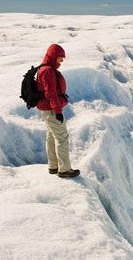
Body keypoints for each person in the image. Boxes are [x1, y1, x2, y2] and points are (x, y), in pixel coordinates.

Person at [37, 43, 80, 178]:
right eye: (60, 58)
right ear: (53, 56)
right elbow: (51, 94)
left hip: (46, 108)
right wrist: (58, 111)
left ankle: (53, 166)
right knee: (62, 138)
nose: (62, 61)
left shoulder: (44, 69)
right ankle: (64, 169)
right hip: (51, 109)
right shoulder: (48, 71)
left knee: (52, 136)